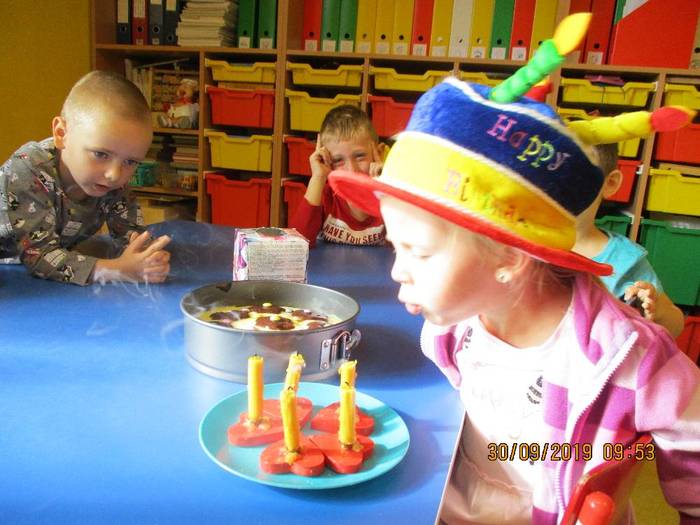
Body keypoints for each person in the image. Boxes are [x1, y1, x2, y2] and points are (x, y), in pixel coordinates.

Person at [328, 76, 700, 524]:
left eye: (419, 252)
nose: (397, 271)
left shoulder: (625, 358)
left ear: (509, 256)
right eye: (395, 246)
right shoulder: (453, 330)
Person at [0, 70, 171, 285]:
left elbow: (130, 235)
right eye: (100, 154)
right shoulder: (27, 169)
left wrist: (147, 256)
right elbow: (40, 256)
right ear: (61, 134)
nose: (114, 174)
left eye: (130, 161)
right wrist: (116, 270)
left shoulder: (110, 180)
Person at [573, 142, 685, 336]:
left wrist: (659, 310)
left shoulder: (626, 260)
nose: (559, 188)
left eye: (576, 177)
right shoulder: (522, 245)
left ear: (610, 184)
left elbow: (675, 326)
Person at [289, 104, 386, 247]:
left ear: (379, 153)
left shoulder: (388, 200)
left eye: (360, 156)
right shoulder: (324, 196)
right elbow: (296, 245)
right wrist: (318, 178)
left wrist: (387, 191)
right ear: (326, 160)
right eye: (338, 160)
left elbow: (409, 245)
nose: (351, 170)